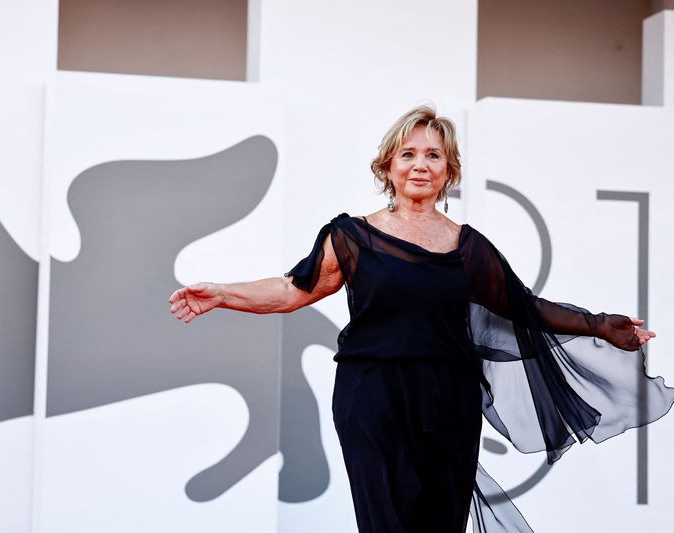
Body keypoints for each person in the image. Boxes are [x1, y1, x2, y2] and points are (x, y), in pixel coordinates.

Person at [168, 105, 673, 532]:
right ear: (387, 166)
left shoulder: (467, 246)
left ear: (449, 171)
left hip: (449, 402)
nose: (420, 165)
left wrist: (600, 323)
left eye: (434, 155)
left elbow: (526, 307)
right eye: (408, 154)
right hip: (372, 398)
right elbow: (292, 290)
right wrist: (223, 293)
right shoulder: (351, 236)